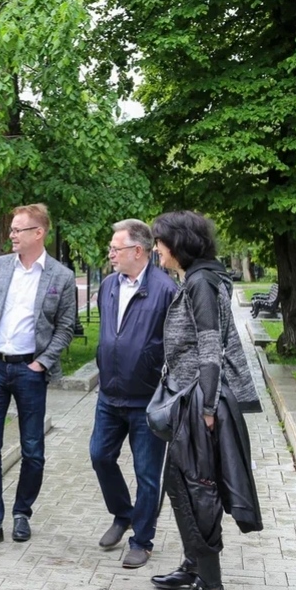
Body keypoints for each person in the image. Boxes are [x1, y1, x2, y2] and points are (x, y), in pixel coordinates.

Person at [150, 210, 263, 590]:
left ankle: (211, 589)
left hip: (199, 400)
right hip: (191, 398)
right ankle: (193, 565)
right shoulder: (199, 278)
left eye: (160, 242)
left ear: (178, 243)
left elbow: (210, 346)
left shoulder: (200, 282)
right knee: (179, 482)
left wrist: (208, 408)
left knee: (197, 489)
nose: (156, 249)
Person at [0, 203, 78, 550]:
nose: (11, 234)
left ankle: (22, 512)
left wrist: (42, 363)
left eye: (17, 229)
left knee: (33, 449)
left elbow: (65, 328)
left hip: (30, 371)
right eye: (11, 229)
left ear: (38, 233)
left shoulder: (61, 276)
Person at [89, 219, 177, 569]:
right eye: (111, 248)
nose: (111, 254)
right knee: (99, 456)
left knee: (147, 473)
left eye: (116, 248)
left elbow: (175, 343)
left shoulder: (165, 289)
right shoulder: (108, 285)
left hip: (147, 400)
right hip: (109, 395)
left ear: (138, 251)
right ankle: (123, 513)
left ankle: (142, 540)